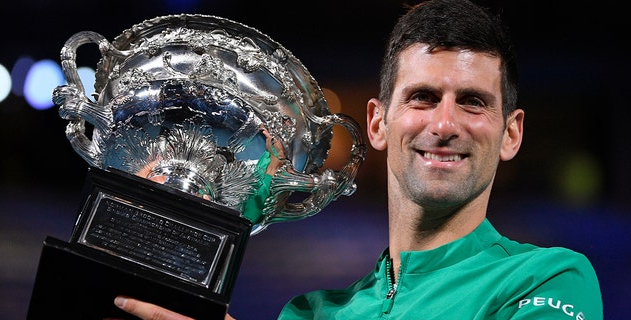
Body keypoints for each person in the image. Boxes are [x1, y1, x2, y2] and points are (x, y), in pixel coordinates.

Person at [113, 0, 603, 318]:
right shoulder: (309, 314)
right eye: (423, 97)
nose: (445, 124)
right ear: (378, 123)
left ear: (511, 133)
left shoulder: (549, 280)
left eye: (473, 101)